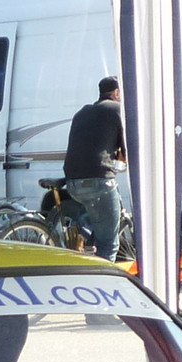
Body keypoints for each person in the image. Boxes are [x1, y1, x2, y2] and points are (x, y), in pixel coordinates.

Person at [62, 76, 126, 261]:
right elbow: (128, 148)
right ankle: (105, 284)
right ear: (116, 93)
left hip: (73, 183)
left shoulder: (82, 112)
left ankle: (81, 232)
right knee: (109, 243)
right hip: (98, 181)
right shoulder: (117, 110)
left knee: (95, 212)